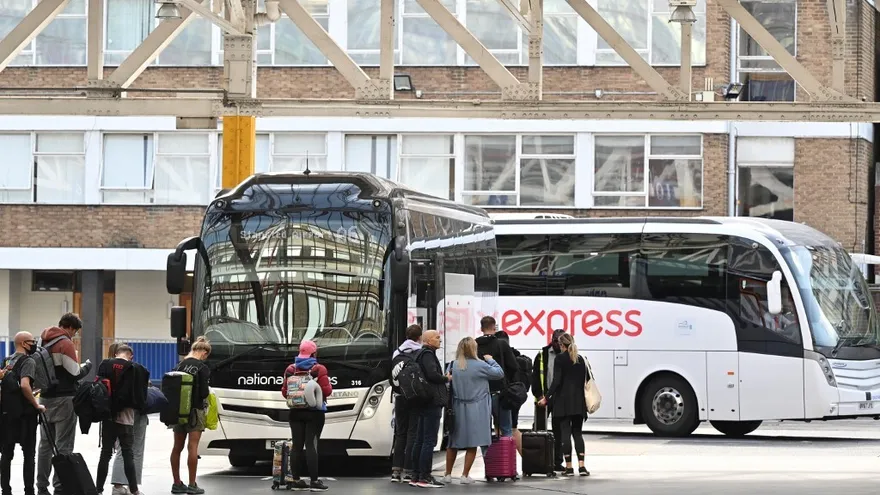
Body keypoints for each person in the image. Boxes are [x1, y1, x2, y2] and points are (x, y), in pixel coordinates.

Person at [37, 313, 92, 495]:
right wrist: (87, 366)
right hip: (64, 400)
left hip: (45, 398)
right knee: (64, 445)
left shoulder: (42, 340)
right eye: (74, 332)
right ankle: (60, 486)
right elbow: (75, 372)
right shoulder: (65, 343)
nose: (74, 335)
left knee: (45, 445)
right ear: (70, 327)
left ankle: (41, 486)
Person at [440, 337, 504, 484]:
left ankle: (447, 474)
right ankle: (464, 475)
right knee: (473, 441)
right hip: (478, 407)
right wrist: (491, 360)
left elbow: (447, 384)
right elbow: (499, 373)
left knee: (453, 441)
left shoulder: (453, 365)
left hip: (457, 407)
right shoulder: (481, 365)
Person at [94, 344, 150, 495]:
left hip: (107, 416)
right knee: (127, 454)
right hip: (126, 417)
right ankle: (134, 490)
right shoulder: (137, 369)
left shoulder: (105, 364)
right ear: (130, 356)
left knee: (105, 454)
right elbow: (141, 398)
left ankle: (98, 490)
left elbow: (97, 388)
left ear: (116, 353)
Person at [280, 340, 331, 492]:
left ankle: (296, 480)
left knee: (296, 446)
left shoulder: (290, 369)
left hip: (295, 412)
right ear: (314, 353)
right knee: (311, 445)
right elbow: (327, 391)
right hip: (314, 413)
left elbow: (285, 392)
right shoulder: (318, 369)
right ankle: (314, 481)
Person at [0, 332, 46, 495]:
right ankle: (29, 491)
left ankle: (5, 490)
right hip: (25, 415)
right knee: (29, 455)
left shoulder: (7, 361)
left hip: (7, 414)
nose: (34, 344)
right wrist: (37, 405)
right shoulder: (28, 361)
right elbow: (25, 385)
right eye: (32, 341)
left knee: (6, 454)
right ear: (24, 343)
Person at [537, 333, 589, 477]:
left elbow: (556, 381)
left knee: (565, 433)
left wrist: (546, 398)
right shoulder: (581, 359)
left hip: (563, 402)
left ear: (561, 345)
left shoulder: (560, 359)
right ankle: (582, 467)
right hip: (579, 402)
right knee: (577, 433)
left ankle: (569, 467)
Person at [170, 337, 212, 495]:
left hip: (178, 412)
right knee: (192, 447)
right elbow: (204, 393)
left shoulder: (179, 365)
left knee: (177, 447)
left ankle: (176, 483)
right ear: (204, 352)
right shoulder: (202, 367)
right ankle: (192, 484)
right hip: (195, 411)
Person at [409, 330, 450, 488]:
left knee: (419, 439)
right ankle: (425, 477)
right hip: (431, 401)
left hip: (422, 401)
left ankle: (416, 475)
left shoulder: (419, 354)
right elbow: (432, 375)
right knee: (428, 440)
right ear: (428, 341)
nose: (440, 340)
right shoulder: (428, 355)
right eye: (437, 337)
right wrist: (446, 378)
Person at [474, 317, 517, 441]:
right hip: (500, 391)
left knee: (484, 429)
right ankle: (506, 453)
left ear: (481, 328)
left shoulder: (474, 345)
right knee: (506, 428)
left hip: (480, 393)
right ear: (494, 328)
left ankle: (487, 453)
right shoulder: (501, 344)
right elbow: (513, 366)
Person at [390, 324, 422, 483]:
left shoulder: (397, 352)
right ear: (419, 337)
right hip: (414, 397)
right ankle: (409, 470)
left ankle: (396, 471)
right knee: (412, 433)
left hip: (399, 396)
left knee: (400, 433)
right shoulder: (420, 352)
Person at [532, 329, 566, 471]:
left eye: (561, 342)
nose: (558, 344)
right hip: (543, 399)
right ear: (552, 340)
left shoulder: (567, 355)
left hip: (560, 399)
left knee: (559, 431)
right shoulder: (542, 355)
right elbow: (535, 377)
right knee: (538, 429)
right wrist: (540, 396)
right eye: (556, 341)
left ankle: (557, 462)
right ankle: (537, 461)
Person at [494, 331, 529, 455]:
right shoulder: (516, 355)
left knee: (503, 429)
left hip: (504, 397)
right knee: (513, 428)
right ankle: (528, 460)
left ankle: (506, 461)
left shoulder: (499, 357)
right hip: (516, 395)